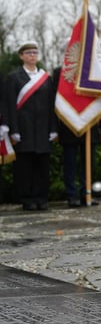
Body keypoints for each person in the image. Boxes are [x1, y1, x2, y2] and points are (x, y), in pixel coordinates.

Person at [4, 42, 57, 210]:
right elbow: (9, 105)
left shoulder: (46, 78)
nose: (32, 55)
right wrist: (13, 129)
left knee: (42, 166)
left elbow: (52, 105)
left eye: (35, 52)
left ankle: (41, 198)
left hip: (43, 130)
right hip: (23, 129)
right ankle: (27, 199)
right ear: (21, 56)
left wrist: (54, 128)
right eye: (28, 53)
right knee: (24, 167)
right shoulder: (14, 77)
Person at [51, 66, 100, 207]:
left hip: (89, 123)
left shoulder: (92, 69)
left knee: (88, 162)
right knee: (70, 163)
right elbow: (56, 99)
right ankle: (71, 195)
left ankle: (87, 193)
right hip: (68, 123)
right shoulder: (61, 71)